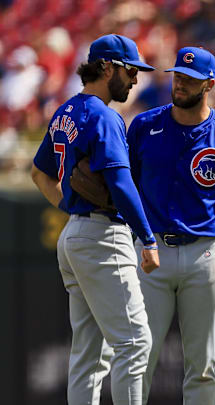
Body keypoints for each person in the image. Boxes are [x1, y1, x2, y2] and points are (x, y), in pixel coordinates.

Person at [30, 34, 159, 405]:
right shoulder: (104, 116)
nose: (135, 79)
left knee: (90, 355)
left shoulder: (67, 110)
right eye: (130, 70)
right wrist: (147, 239)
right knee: (135, 344)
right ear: (107, 67)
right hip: (103, 236)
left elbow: (40, 175)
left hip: (75, 235)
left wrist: (71, 208)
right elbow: (120, 183)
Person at [126, 47, 215, 405]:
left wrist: (206, 228)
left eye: (190, 79)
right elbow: (129, 186)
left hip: (205, 252)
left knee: (202, 365)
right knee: (139, 357)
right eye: (177, 76)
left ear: (210, 83)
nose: (180, 84)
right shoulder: (144, 125)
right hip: (151, 251)